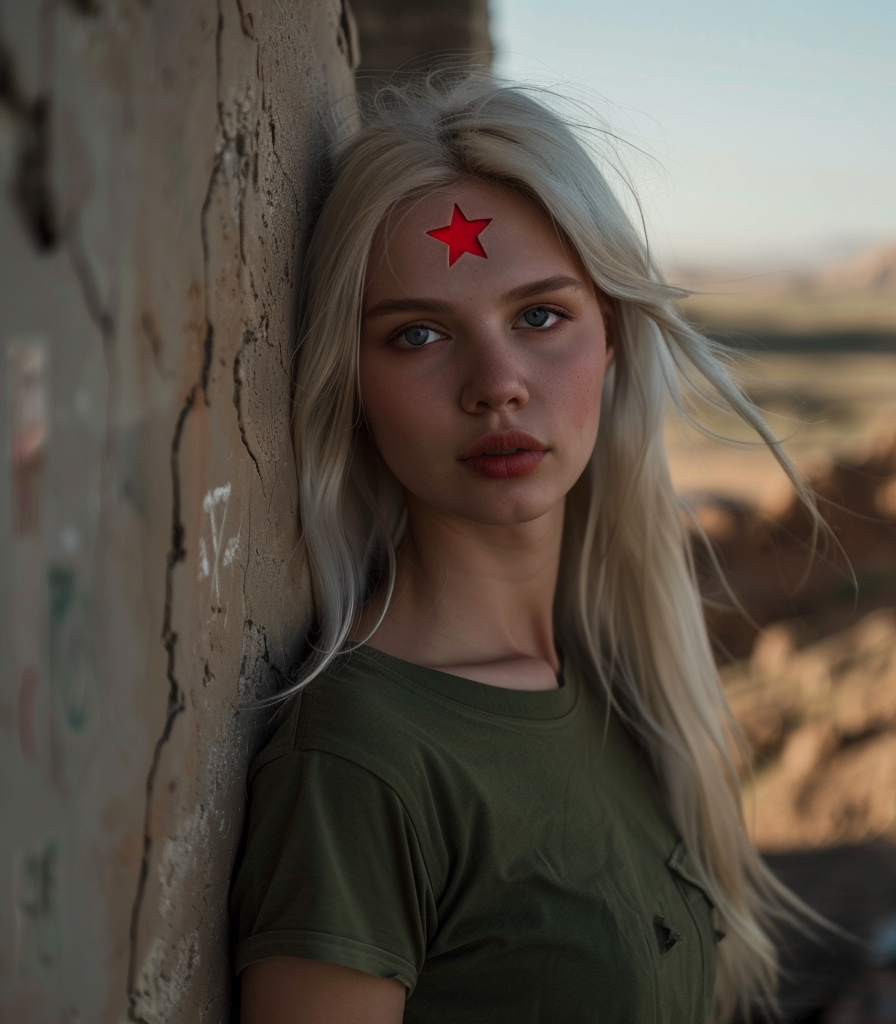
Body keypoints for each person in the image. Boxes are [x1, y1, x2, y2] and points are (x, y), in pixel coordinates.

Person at [231, 72, 816, 1024]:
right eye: (418, 334)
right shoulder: (359, 763)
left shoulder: (616, 686)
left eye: (540, 316)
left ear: (613, 336)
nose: (496, 384)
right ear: (353, 384)